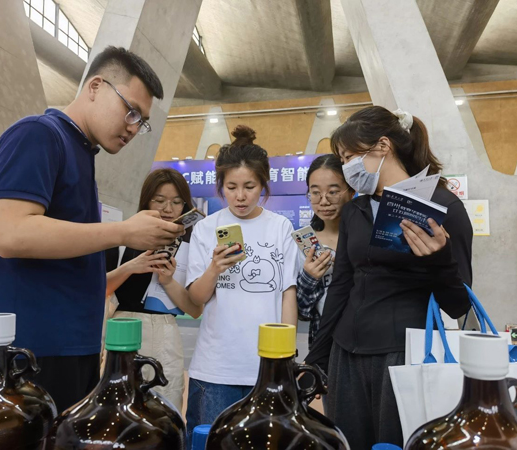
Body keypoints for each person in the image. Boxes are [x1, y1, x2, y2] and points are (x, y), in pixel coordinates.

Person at [0, 46, 185, 413]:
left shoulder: (81, 153)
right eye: (131, 111)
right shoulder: (38, 135)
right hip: (30, 352)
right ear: (96, 87)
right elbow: (10, 234)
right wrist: (123, 233)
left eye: (142, 121)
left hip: (68, 349)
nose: (134, 127)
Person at [305, 106, 473, 449]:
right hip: (346, 353)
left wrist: (439, 259)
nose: (347, 167)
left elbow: (458, 304)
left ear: (383, 146)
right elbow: (341, 286)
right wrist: (316, 358)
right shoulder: (355, 210)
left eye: (350, 157)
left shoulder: (443, 206)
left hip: (403, 354)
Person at [184, 125, 299, 445]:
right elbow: (196, 298)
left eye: (250, 186)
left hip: (268, 367)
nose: (240, 195)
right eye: (231, 187)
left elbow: (287, 293)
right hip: (216, 368)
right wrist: (214, 268)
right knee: (212, 443)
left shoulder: (280, 226)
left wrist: (287, 357)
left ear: (263, 184)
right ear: (220, 186)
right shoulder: (207, 228)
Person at [105, 168, 202, 412]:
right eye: (159, 200)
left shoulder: (190, 246)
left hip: (166, 332)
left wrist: (168, 281)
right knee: (118, 409)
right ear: (146, 201)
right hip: (121, 329)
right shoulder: (122, 235)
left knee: (165, 409)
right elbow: (100, 288)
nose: (168, 209)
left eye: (176, 202)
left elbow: (194, 309)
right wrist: (131, 266)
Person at [297, 154, 354, 351]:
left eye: (333, 192)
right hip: (323, 343)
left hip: (363, 340)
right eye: (315, 193)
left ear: (351, 191)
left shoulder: (362, 238)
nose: (323, 201)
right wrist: (309, 277)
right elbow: (302, 311)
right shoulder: (305, 244)